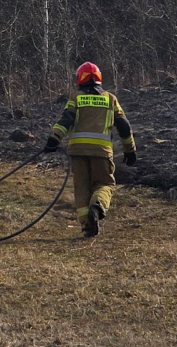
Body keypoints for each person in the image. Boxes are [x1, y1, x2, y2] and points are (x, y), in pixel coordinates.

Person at [44, 62, 137, 238]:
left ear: (80, 79)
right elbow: (124, 126)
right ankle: (98, 206)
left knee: (82, 188)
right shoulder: (110, 99)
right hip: (101, 152)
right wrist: (129, 149)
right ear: (99, 79)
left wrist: (53, 140)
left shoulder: (76, 98)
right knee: (105, 184)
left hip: (78, 151)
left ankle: (87, 226)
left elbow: (66, 120)